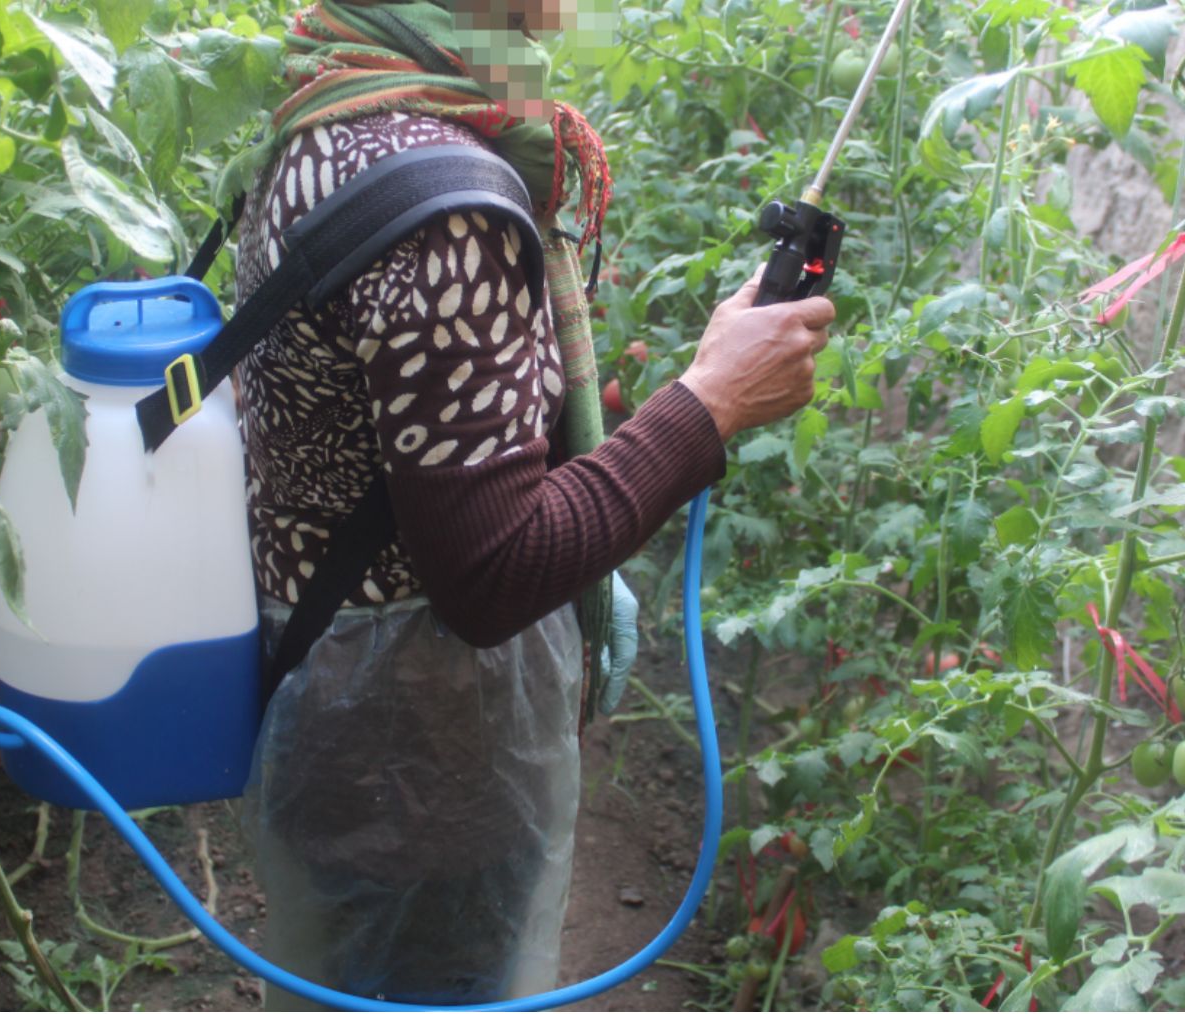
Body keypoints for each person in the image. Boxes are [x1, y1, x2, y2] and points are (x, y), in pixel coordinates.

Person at [235, 0, 836, 1007]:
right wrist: (710, 405)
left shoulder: (337, 104)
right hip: (421, 755)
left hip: (336, 705)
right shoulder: (448, 217)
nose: (559, 11)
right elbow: (490, 573)